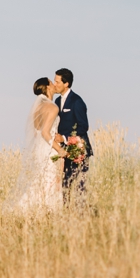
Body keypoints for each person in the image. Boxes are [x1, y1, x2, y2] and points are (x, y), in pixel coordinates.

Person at [3, 77, 66, 213]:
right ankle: (46, 210)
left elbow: (37, 132)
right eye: (51, 82)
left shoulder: (37, 108)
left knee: (40, 180)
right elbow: (45, 132)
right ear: (48, 87)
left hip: (39, 150)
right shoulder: (53, 107)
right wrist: (59, 149)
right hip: (49, 149)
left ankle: (29, 209)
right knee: (50, 181)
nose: (54, 84)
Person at [52, 67, 92, 204]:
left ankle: (81, 217)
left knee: (80, 186)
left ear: (66, 83)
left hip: (79, 150)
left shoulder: (77, 101)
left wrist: (64, 138)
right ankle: (67, 213)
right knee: (65, 185)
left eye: (57, 81)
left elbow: (83, 126)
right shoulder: (57, 102)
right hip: (65, 152)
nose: (54, 84)